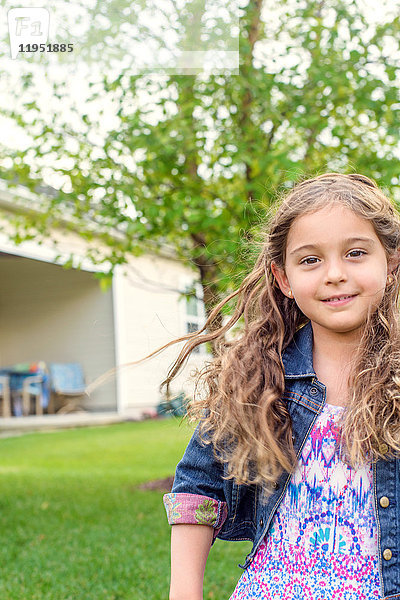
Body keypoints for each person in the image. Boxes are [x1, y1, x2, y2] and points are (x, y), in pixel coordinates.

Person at [159, 172, 400, 600]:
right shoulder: (255, 378)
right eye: (310, 260)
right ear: (283, 278)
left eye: (356, 253)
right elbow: (198, 485)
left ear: (392, 263)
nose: (334, 274)